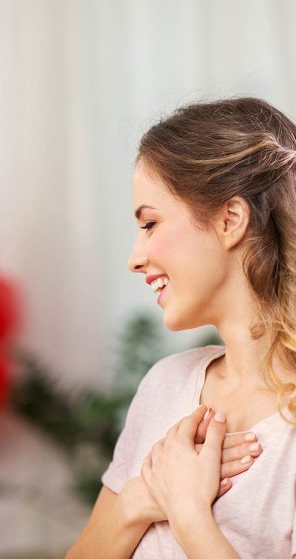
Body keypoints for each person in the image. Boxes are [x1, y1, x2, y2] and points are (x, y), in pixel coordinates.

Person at [67, 97, 296, 558]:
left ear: (230, 220)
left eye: (150, 223)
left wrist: (188, 511)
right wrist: (141, 498)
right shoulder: (165, 386)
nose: (135, 258)